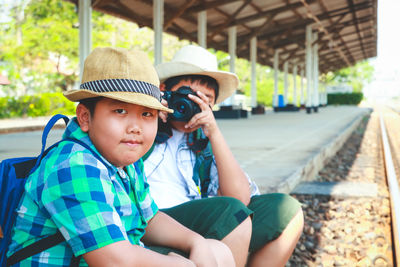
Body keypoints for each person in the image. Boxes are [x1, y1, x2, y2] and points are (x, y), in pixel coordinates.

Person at [6, 47, 236, 266]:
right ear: (85, 117)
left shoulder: (127, 161)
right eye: (120, 111)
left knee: (217, 250)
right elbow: (114, 261)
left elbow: (150, 218)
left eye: (147, 114)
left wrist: (196, 242)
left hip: (116, 256)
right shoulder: (74, 164)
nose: (135, 127)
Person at [143, 45, 304, 267]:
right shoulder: (141, 122)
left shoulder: (203, 143)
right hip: (149, 220)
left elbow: (240, 199)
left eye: (204, 99)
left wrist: (214, 133)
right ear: (164, 90)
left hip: (198, 221)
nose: (191, 104)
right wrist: (149, 115)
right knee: (231, 214)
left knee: (285, 210)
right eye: (186, 95)